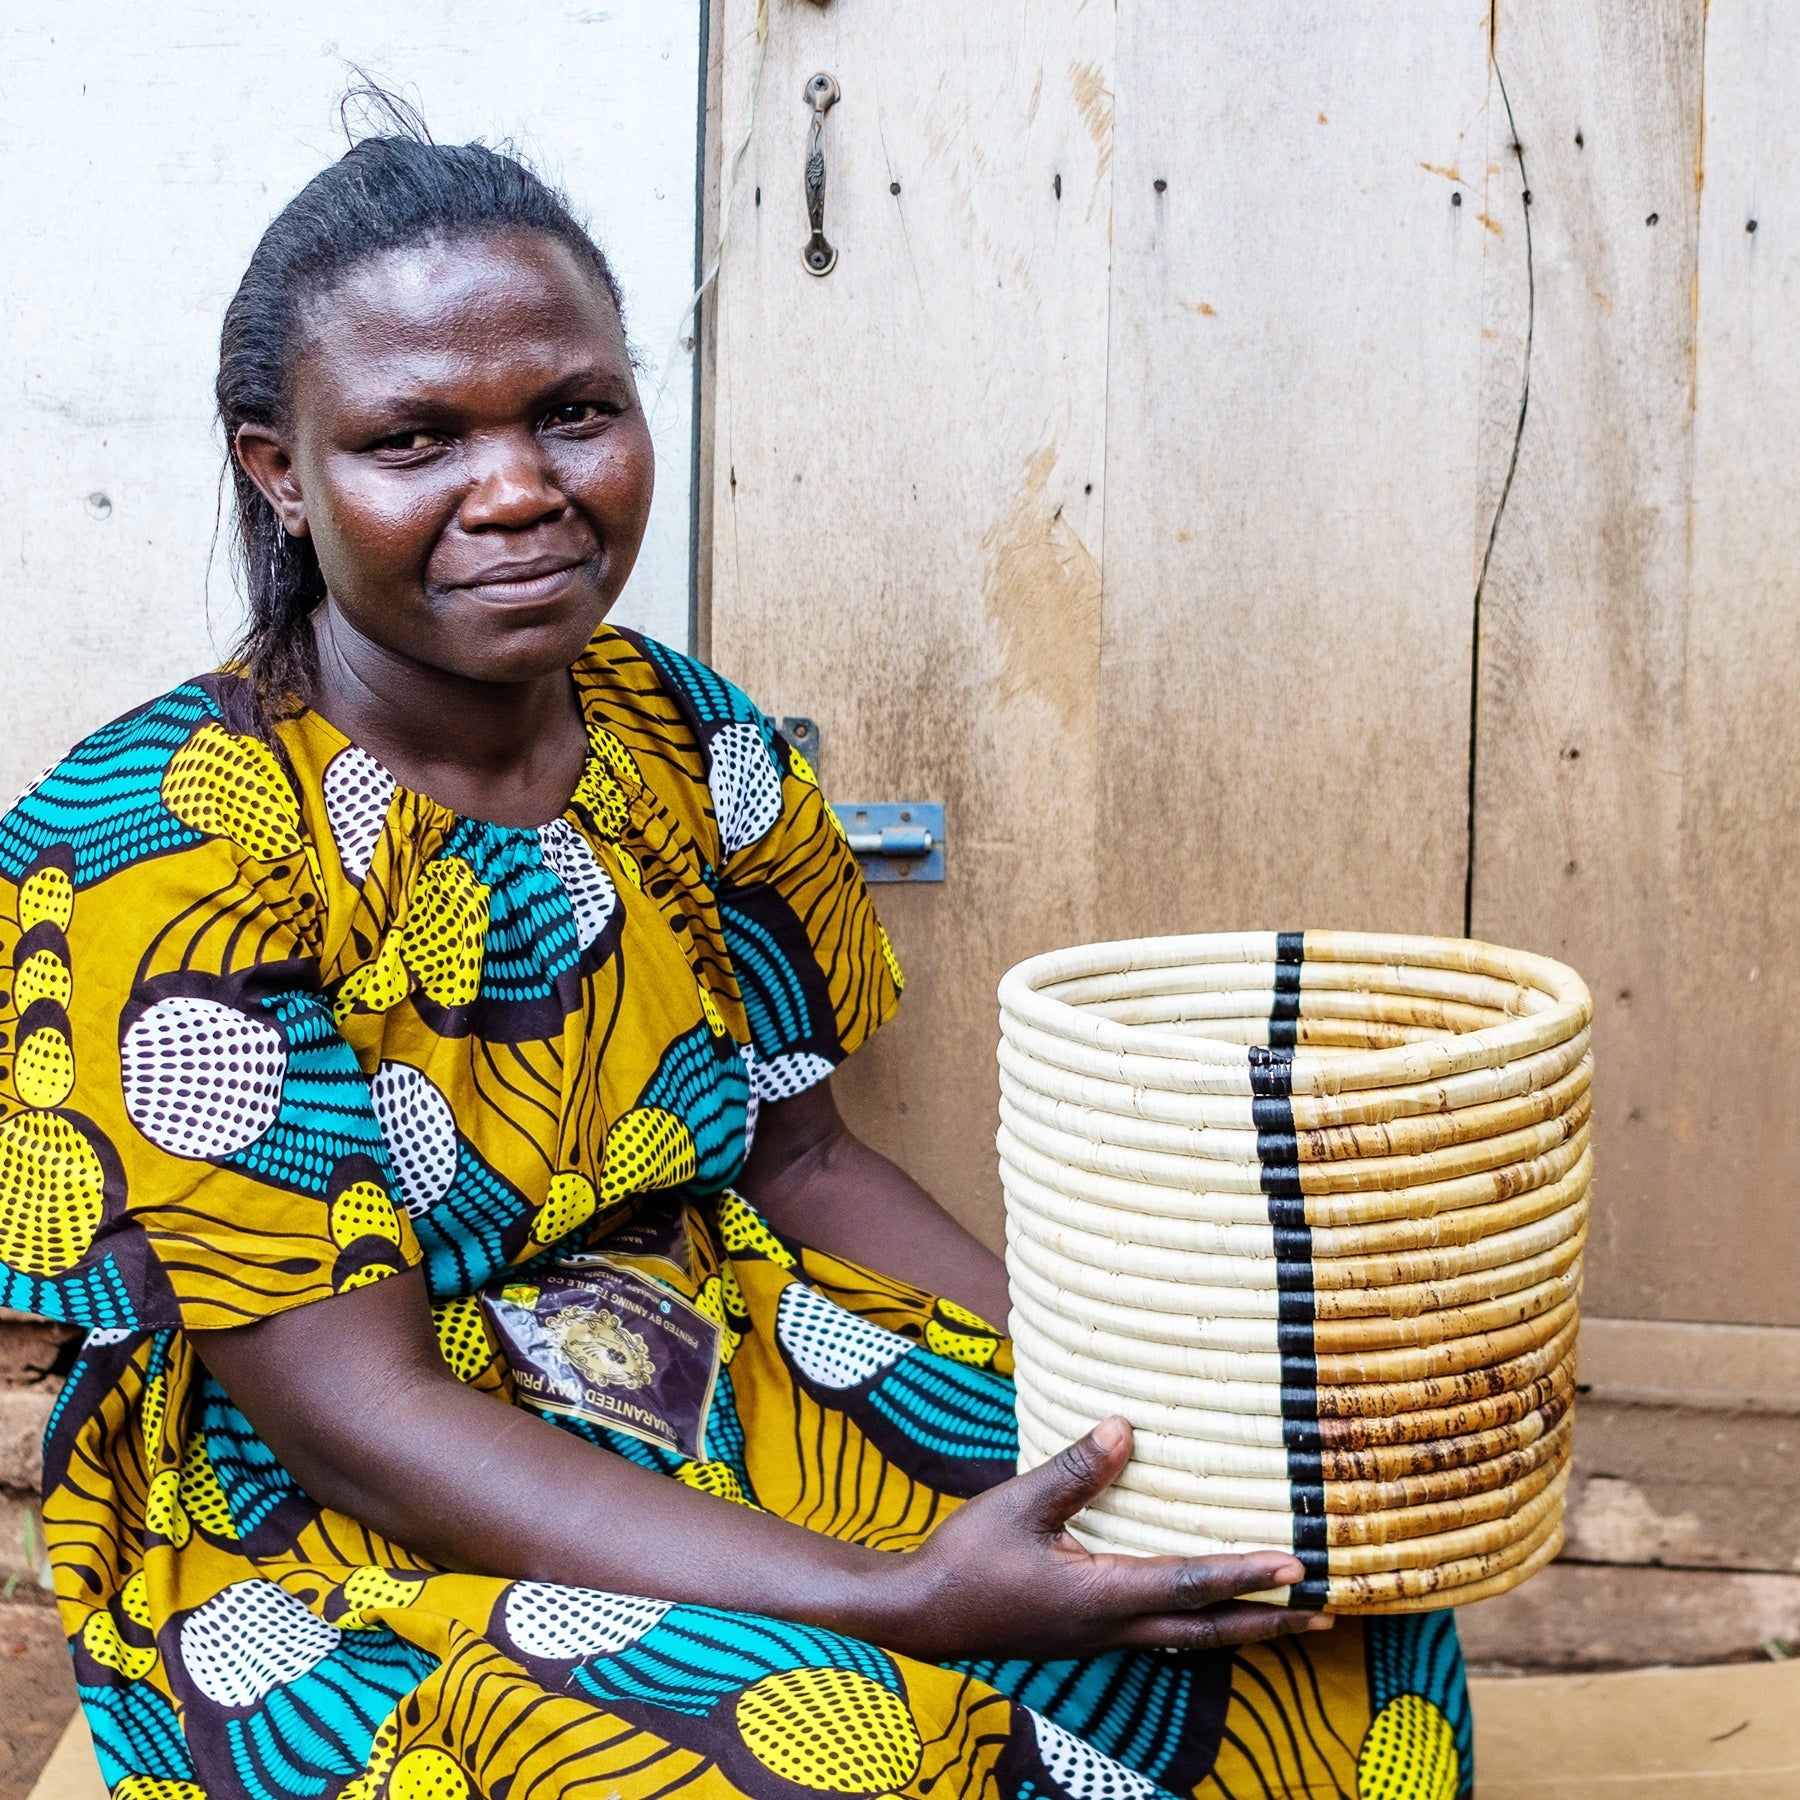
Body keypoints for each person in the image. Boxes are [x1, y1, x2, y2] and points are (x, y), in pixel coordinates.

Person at [0, 120, 1473, 1800]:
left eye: (574, 412)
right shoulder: (161, 842)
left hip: (716, 1354)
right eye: (415, 439)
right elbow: (364, 1417)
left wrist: (1123, 1424)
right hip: (349, 1501)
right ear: (281, 473)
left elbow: (807, 1161)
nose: (518, 488)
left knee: (1286, 1593)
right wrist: (894, 1597)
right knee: (841, 1747)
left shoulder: (684, 731)